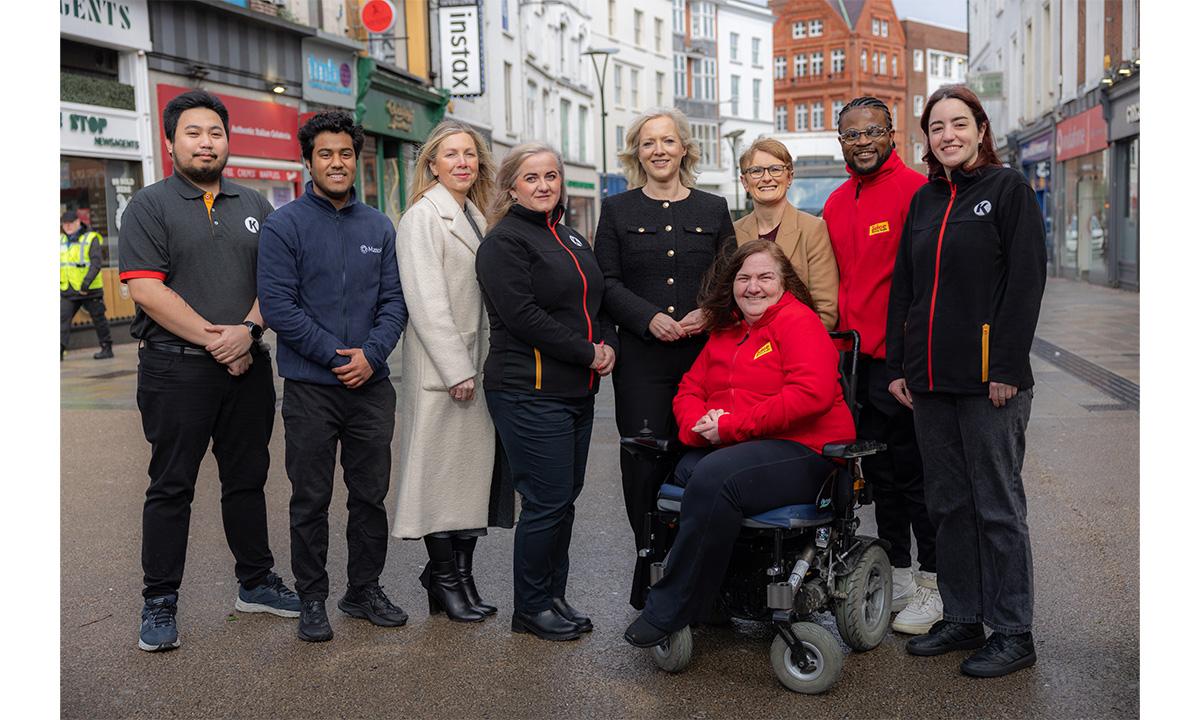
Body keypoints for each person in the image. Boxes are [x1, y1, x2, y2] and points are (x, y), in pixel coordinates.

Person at [119, 90, 299, 653]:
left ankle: (255, 582)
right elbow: (147, 290)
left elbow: (279, 282)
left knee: (246, 481)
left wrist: (248, 332)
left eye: (215, 133)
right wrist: (221, 342)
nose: (206, 142)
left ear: (228, 140)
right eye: (193, 133)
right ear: (171, 142)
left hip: (248, 367)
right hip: (176, 373)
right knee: (171, 486)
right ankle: (159, 599)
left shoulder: (255, 205)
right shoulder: (149, 205)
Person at [623, 239, 856, 647]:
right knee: (683, 468)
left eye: (765, 277)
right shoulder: (728, 331)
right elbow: (689, 389)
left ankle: (671, 606)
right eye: (744, 278)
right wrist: (700, 426)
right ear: (731, 284)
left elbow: (810, 395)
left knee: (713, 475)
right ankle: (717, 591)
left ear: (784, 283)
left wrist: (730, 426)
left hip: (806, 450)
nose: (753, 287)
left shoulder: (798, 322)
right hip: (743, 447)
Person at [887, 85, 1046, 678]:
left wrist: (1005, 365)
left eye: (959, 123)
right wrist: (902, 366)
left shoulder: (1008, 192)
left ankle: (1012, 630)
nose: (947, 134)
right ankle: (962, 615)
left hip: (989, 383)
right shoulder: (925, 202)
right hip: (930, 382)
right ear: (926, 139)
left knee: (995, 506)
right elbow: (905, 288)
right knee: (948, 504)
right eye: (936, 127)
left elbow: (1026, 283)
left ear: (981, 129)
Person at [258, 111, 409, 643]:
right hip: (310, 388)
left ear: (356, 159)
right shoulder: (285, 225)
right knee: (310, 498)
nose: (337, 162)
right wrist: (336, 357)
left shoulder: (379, 226)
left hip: (371, 387)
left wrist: (371, 354)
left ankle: (363, 590)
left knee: (370, 495)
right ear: (308, 161)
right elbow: (279, 306)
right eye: (326, 153)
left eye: (345, 153)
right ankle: (312, 598)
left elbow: (394, 302)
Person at [593, 107, 736, 609]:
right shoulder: (616, 210)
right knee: (645, 464)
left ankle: (704, 573)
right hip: (644, 361)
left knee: (703, 457)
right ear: (637, 152)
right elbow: (604, 283)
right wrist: (646, 317)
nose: (659, 150)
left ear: (684, 149)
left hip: (703, 356)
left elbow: (730, 277)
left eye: (668, 141)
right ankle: (648, 570)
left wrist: (708, 312)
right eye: (649, 142)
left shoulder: (714, 209)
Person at [476, 143, 618, 641]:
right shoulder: (504, 243)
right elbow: (523, 317)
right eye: (531, 177)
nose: (543, 185)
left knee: (565, 500)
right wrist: (587, 352)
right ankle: (530, 608)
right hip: (527, 391)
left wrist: (607, 344)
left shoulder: (571, 236)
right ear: (511, 186)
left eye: (551, 176)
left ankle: (553, 597)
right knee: (546, 501)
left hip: (576, 391)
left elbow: (597, 300)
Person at [822, 96, 939, 635]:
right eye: (852, 134)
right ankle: (899, 572)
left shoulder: (918, 191)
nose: (862, 141)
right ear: (840, 141)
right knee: (883, 475)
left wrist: (911, 357)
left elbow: (928, 285)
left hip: (904, 359)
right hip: (856, 364)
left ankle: (936, 583)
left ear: (892, 133)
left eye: (872, 131)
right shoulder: (836, 201)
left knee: (919, 476)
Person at [391, 120, 500, 623]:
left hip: (474, 367)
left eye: (469, 154)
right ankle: (444, 578)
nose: (462, 162)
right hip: (445, 371)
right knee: (440, 481)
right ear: (431, 163)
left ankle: (460, 579)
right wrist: (457, 368)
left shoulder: (475, 213)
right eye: (451, 154)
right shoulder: (423, 217)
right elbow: (426, 301)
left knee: (468, 482)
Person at [733, 138, 838, 330]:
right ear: (744, 182)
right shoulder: (733, 232)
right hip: (746, 346)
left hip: (796, 344)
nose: (766, 178)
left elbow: (825, 310)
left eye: (775, 169)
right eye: (756, 171)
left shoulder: (813, 229)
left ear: (789, 177)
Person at [60, 209, 114, 360]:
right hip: (68, 289)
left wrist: (86, 284)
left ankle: (106, 348)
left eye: (71, 223)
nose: (68, 227)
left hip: (89, 290)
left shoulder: (91, 238)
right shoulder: (61, 241)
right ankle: (59, 350)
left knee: (99, 319)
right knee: (61, 319)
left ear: (78, 222)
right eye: (65, 224)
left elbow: (96, 263)